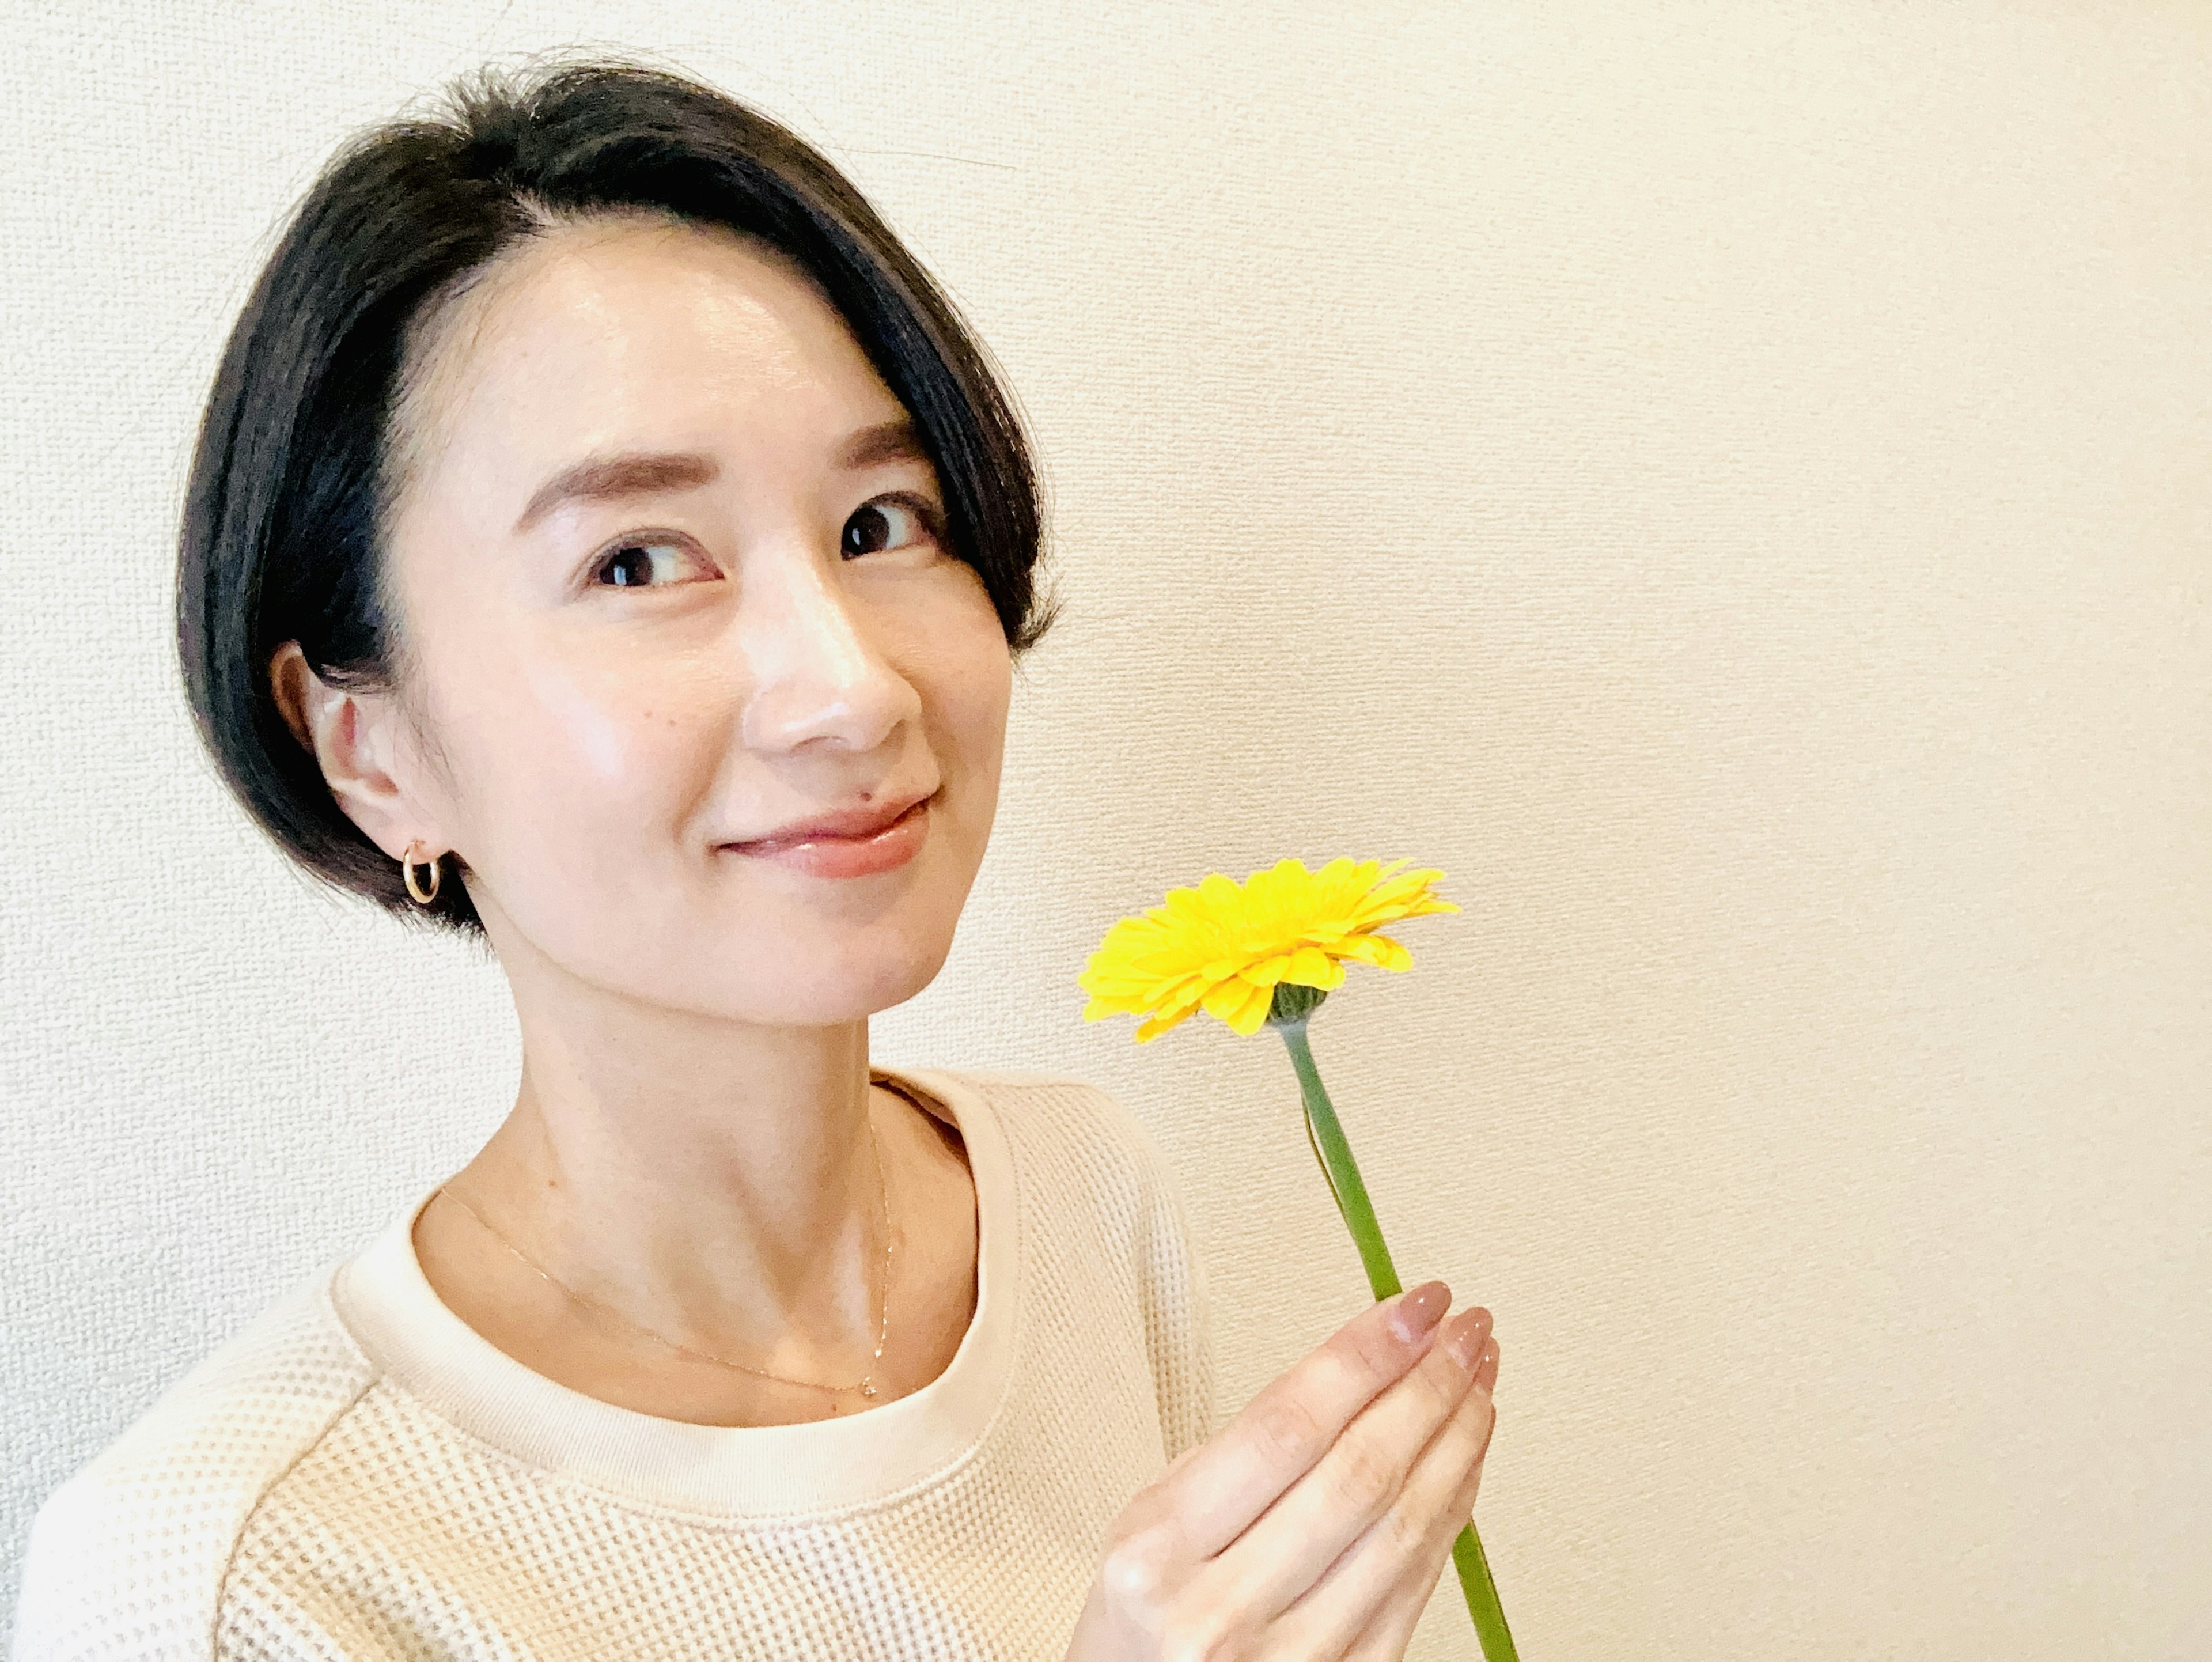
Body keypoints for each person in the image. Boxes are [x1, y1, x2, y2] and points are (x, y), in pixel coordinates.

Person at [12, 60, 1501, 1661]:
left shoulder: (1086, 1196)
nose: (853, 688)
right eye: (638, 560)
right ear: (368, 747)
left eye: (883, 523)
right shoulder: (232, 1579)